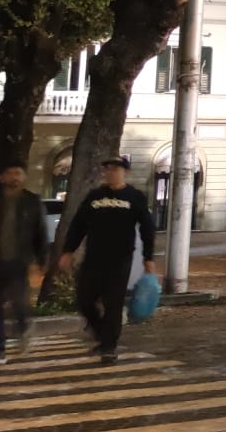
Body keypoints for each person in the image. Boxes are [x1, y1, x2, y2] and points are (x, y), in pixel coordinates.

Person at [58, 156, 157, 364]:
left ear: (125, 172)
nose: (110, 172)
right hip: (93, 257)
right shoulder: (95, 197)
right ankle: (103, 336)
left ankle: (109, 348)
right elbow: (79, 225)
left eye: (115, 169)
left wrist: (148, 258)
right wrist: (68, 251)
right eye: (107, 169)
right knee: (84, 300)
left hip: (120, 260)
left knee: (113, 304)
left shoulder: (135, 197)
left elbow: (148, 228)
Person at [0, 163, 47, 365]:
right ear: (1, 177)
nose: (14, 177)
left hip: (19, 262)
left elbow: (41, 233)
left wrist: (41, 261)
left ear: (24, 176)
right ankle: (0, 348)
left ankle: (24, 326)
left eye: (18, 173)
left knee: (19, 303)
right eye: (10, 173)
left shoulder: (31, 202)